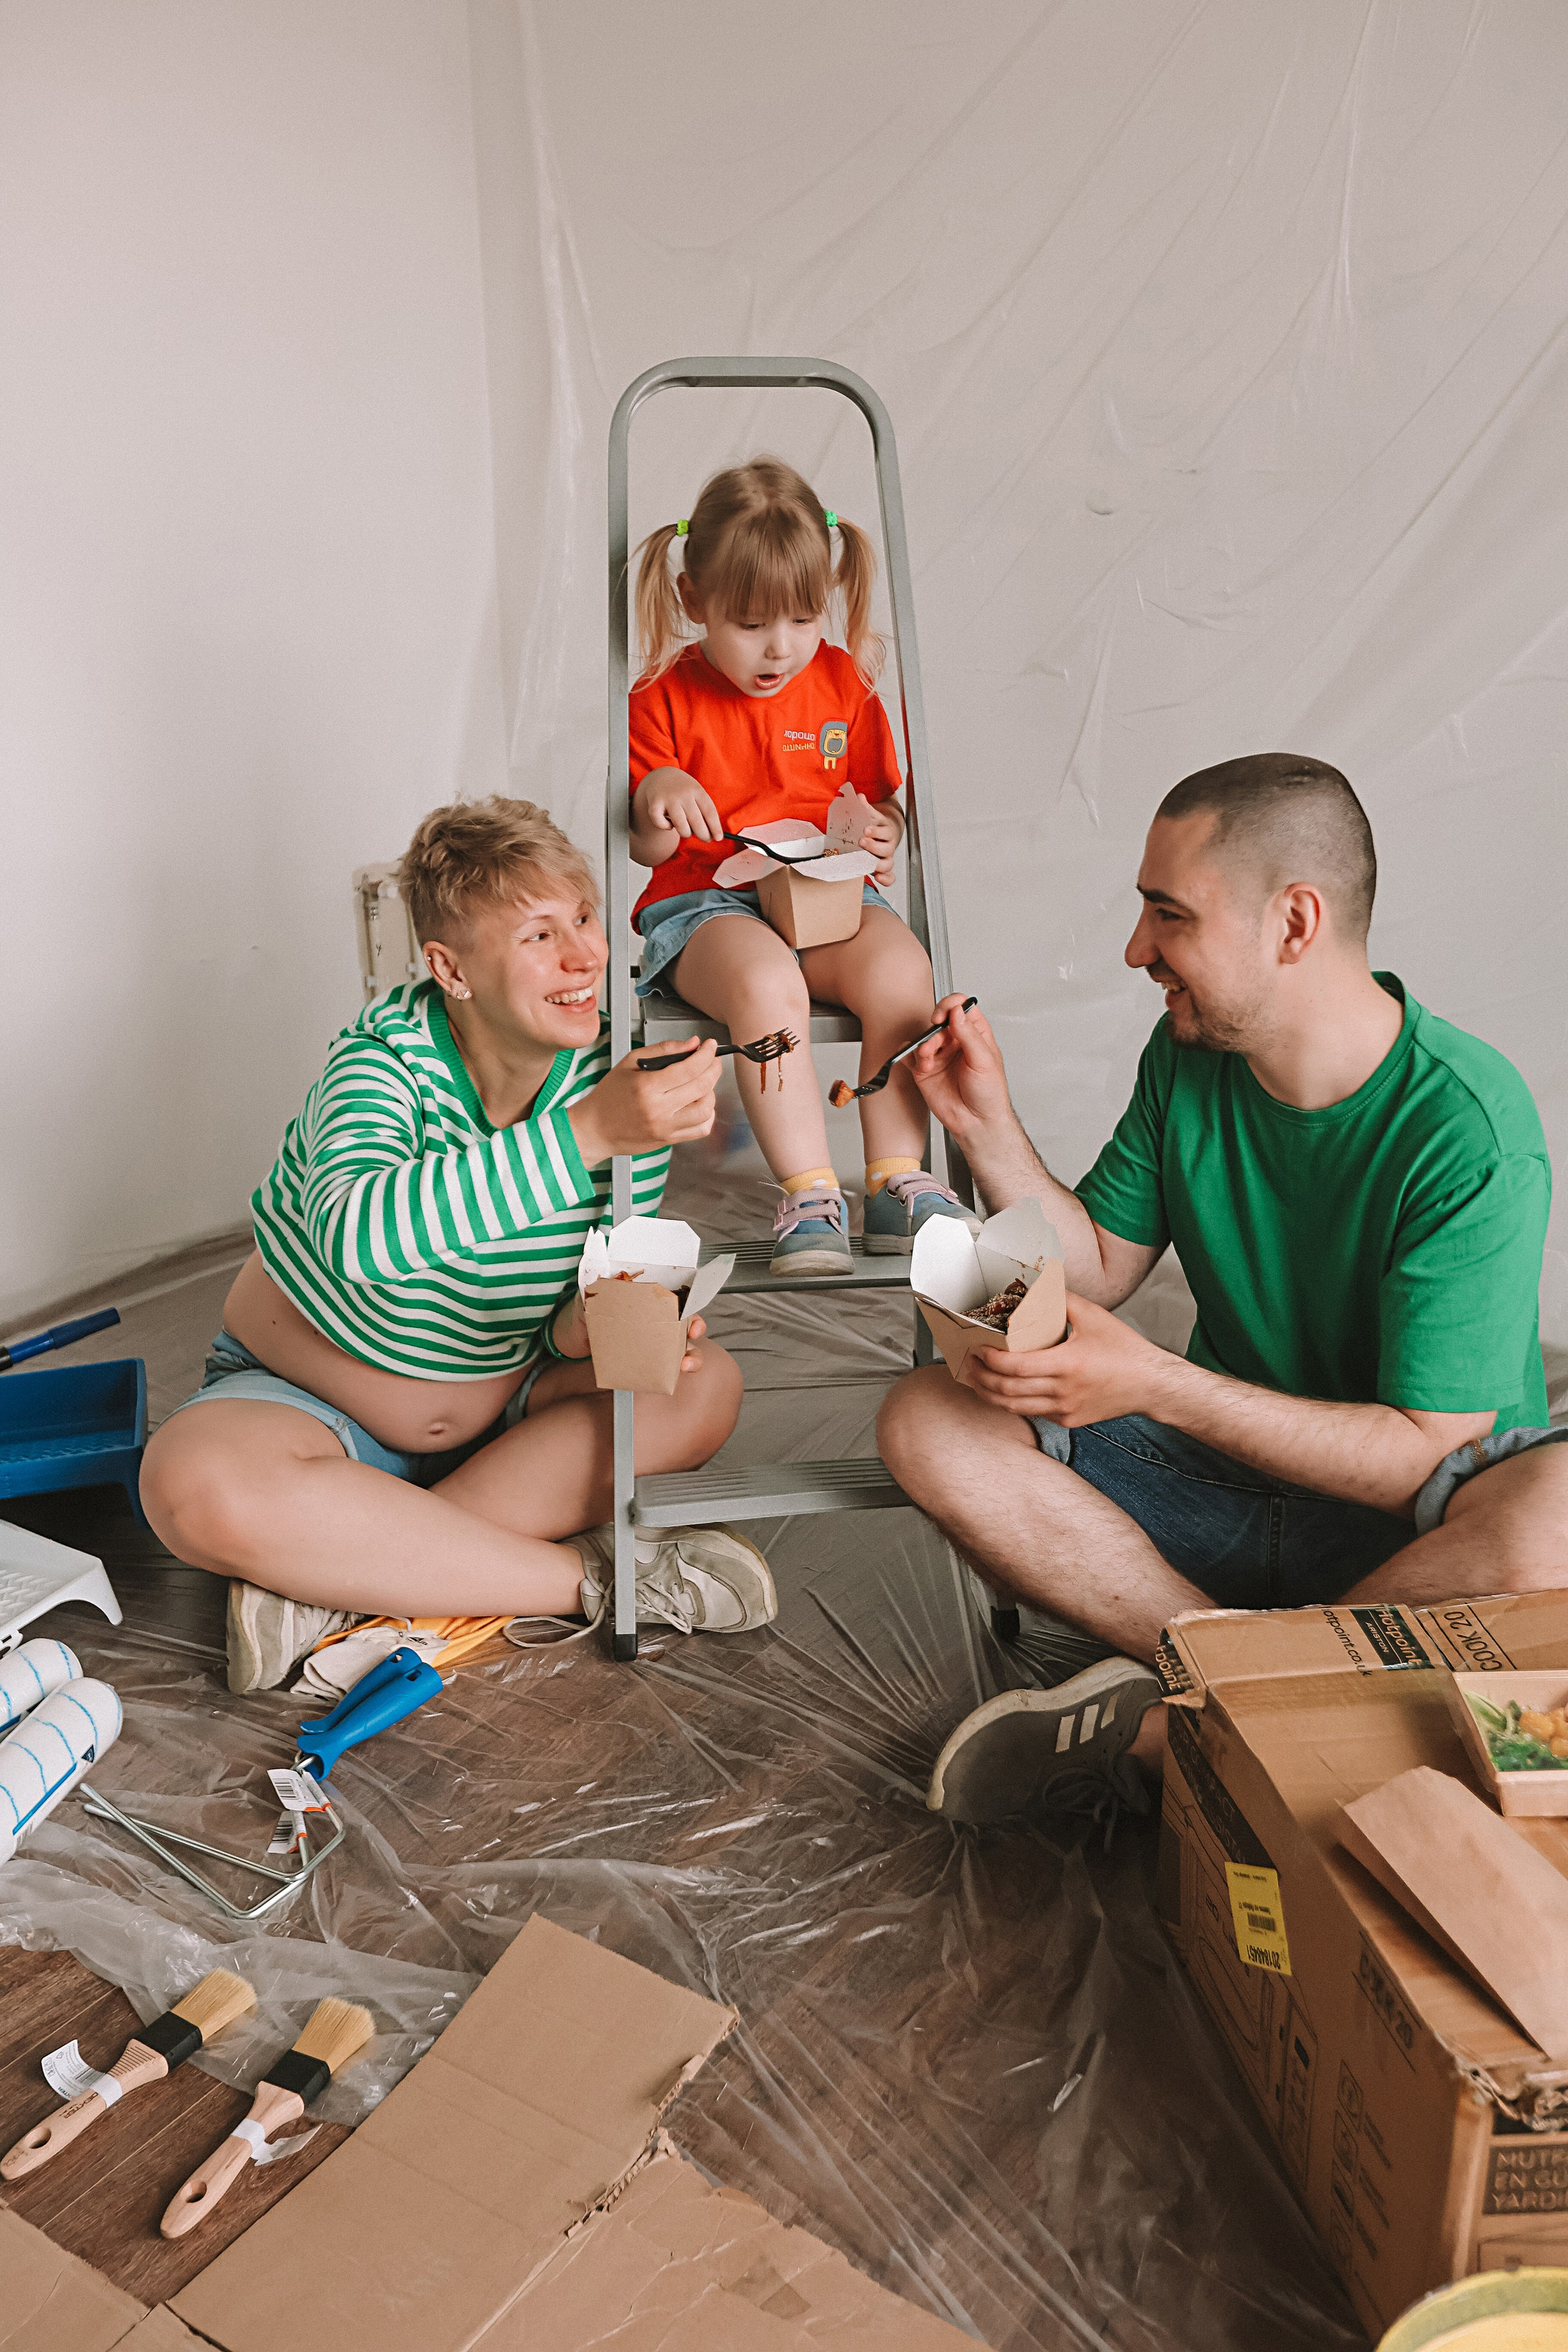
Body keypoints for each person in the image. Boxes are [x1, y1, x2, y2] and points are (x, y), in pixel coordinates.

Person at [876, 755, 1567, 1824]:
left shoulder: (1468, 1128)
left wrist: (1155, 1382)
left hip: (1411, 1534)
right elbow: (1102, 1259)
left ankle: (1206, 1692)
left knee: (1554, 1523)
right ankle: (1236, 1675)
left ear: (1294, 924)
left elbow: (1423, 1450)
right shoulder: (1190, 1055)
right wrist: (985, 1127)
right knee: (927, 1416)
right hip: (1216, 1490)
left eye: (1169, 915)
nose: (1137, 949)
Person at [140, 797, 777, 1694]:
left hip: (500, 1409)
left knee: (703, 1390)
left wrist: (587, 1331)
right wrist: (589, 1133)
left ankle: (349, 1581)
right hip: (311, 1401)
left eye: (587, 919)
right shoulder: (382, 1061)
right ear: (452, 968)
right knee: (191, 1484)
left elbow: (568, 1298)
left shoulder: (611, 1075)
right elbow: (360, 1237)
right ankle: (602, 1583)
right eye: (539, 935)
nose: (587, 956)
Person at [628, 455, 976, 1278]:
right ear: (694, 602)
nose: (778, 647)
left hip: (819, 896)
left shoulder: (842, 684)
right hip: (706, 906)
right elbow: (647, 852)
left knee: (901, 972)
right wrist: (659, 798)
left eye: (800, 618)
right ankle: (812, 1192)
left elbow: (879, 802)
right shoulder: (663, 697)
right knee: (765, 985)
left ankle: (894, 1178)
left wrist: (884, 829)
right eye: (750, 624)